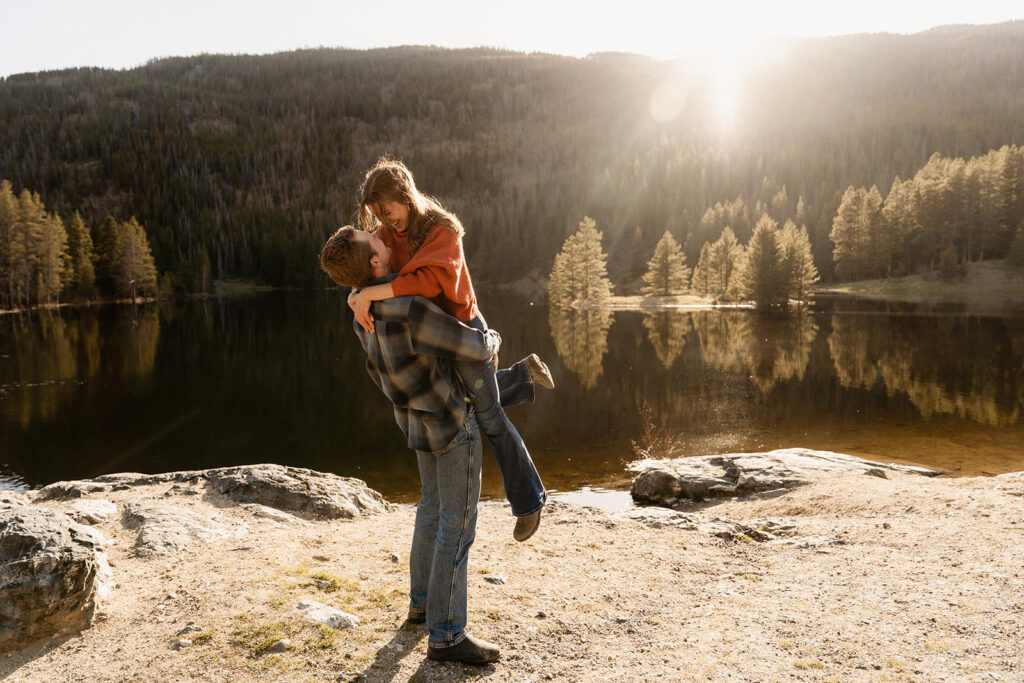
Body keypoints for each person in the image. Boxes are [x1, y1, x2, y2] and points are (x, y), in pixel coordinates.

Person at [320, 225, 547, 665]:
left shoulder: (361, 312)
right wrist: (496, 338)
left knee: (429, 510)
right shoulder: (409, 309)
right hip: (450, 426)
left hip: (415, 424)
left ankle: (422, 605)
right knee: (457, 527)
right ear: (374, 262)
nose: (384, 237)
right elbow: (475, 347)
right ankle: (447, 635)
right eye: (377, 241)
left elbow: (381, 372)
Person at [346, 157, 549, 541]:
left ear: (405, 195)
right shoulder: (387, 234)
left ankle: (529, 502)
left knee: (488, 418)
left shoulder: (444, 230)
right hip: (430, 337)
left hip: (463, 330)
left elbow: (428, 281)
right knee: (465, 402)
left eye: (389, 210)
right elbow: (369, 263)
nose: (386, 222)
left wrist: (371, 293)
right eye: (378, 216)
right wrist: (356, 294)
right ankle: (522, 375)